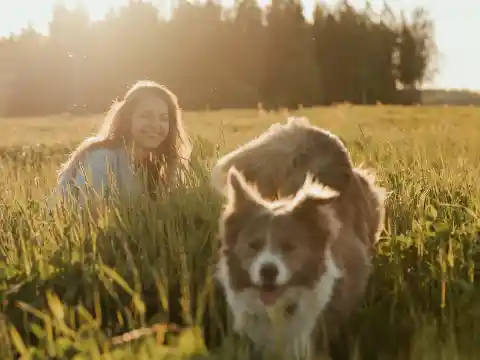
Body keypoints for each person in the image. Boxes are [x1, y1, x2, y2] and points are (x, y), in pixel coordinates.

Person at [50, 80, 192, 210]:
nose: (155, 125)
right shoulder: (102, 158)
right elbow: (89, 217)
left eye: (163, 118)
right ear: (128, 118)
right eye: (146, 116)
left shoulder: (154, 165)